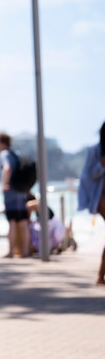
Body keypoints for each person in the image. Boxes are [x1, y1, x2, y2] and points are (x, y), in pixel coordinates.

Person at [0, 132, 31, 258]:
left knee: (12, 222)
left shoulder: (4, 154)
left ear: (0, 143)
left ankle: (11, 251)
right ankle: (25, 251)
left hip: (11, 193)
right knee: (24, 222)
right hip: (22, 192)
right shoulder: (16, 153)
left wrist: (4, 184)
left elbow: (7, 168)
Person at [77, 121, 105, 284]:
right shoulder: (95, 151)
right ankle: (100, 276)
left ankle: (100, 275)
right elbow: (87, 175)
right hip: (101, 196)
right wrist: (101, 166)